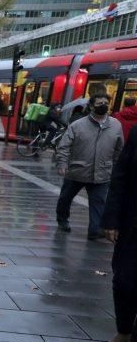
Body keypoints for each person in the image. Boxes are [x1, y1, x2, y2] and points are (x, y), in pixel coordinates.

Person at [55, 93, 123, 240]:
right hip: (77, 171)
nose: (103, 105)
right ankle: (62, 219)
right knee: (65, 198)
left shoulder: (116, 125)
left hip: (102, 173)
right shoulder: (77, 125)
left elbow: (119, 149)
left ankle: (94, 230)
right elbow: (64, 146)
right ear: (91, 106)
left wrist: (117, 168)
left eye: (106, 102)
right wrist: (62, 163)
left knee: (99, 202)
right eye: (99, 103)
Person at [102, 128, 137, 342]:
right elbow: (121, 176)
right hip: (132, 224)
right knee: (123, 281)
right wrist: (111, 219)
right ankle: (124, 330)